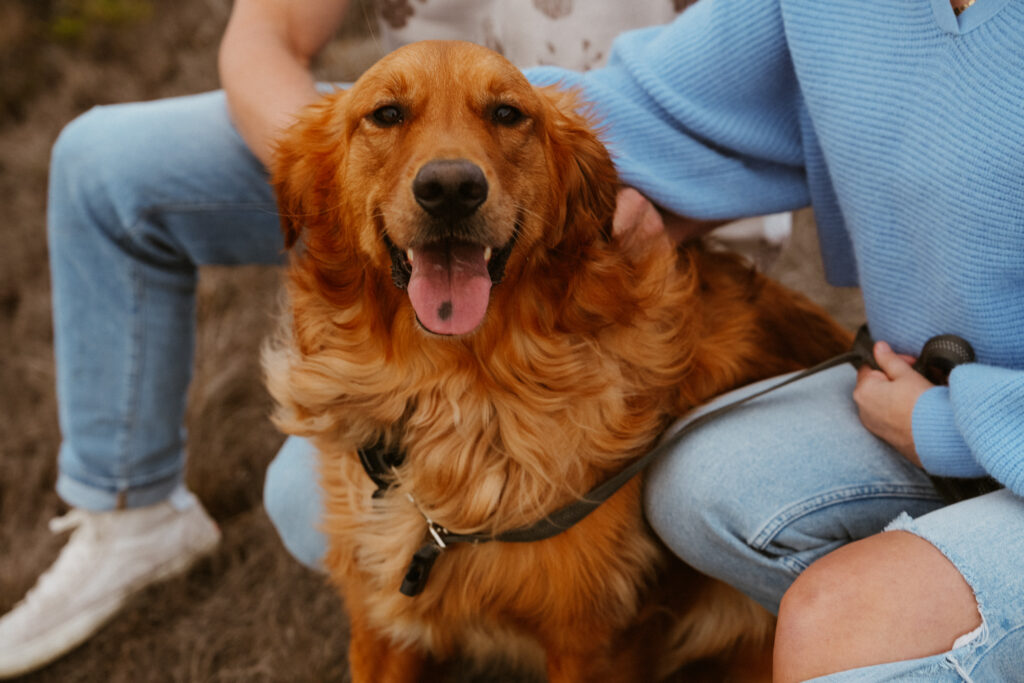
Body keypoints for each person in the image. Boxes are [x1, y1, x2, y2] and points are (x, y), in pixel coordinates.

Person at [268, 0, 1024, 680]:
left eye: (502, 121)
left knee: (835, 632)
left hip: (973, 419)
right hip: (918, 391)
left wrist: (958, 425)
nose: (453, 172)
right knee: (701, 493)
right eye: (390, 119)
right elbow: (647, 100)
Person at [0, 0, 696, 677]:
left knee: (305, 503)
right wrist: (334, 161)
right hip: (393, 136)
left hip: (623, 142)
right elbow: (266, 31)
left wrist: (662, 204)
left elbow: (748, 69)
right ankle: (131, 516)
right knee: (101, 163)